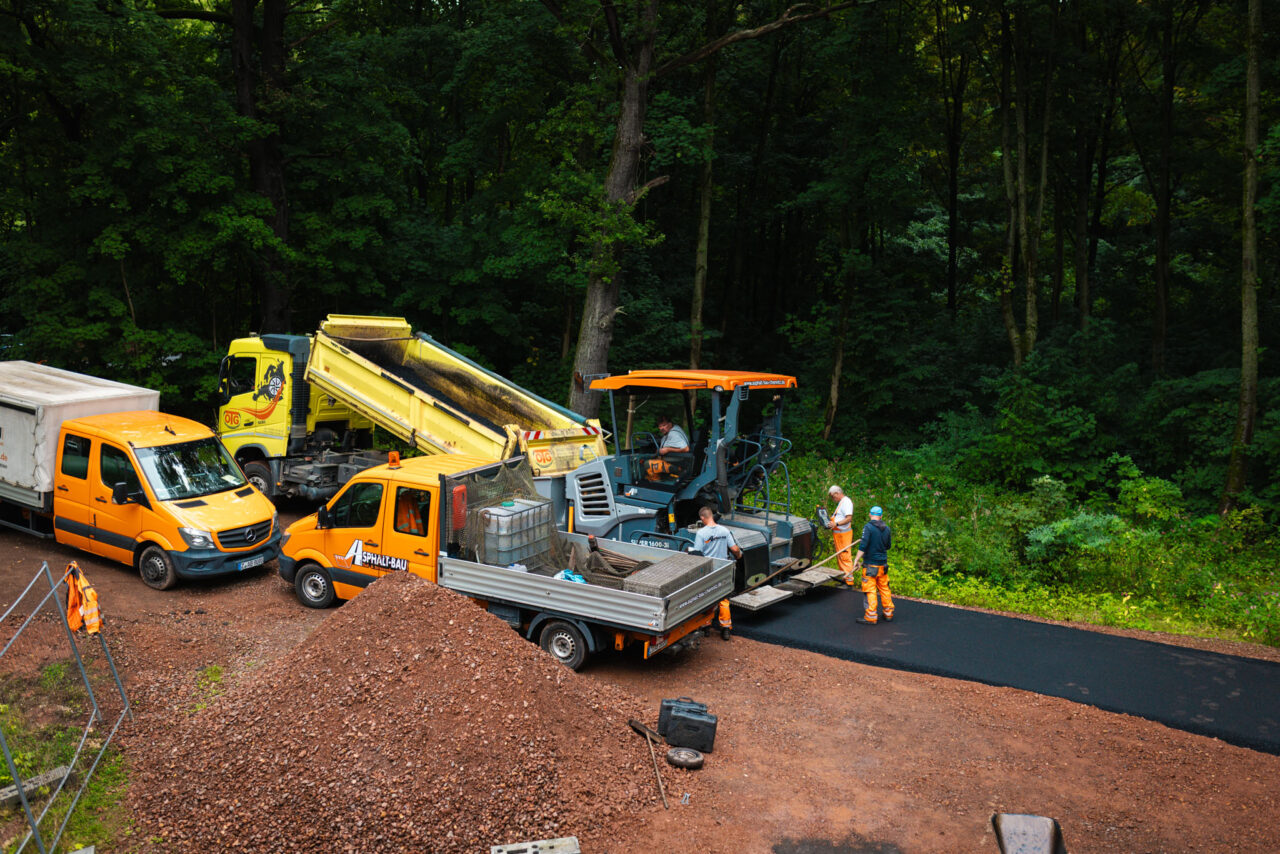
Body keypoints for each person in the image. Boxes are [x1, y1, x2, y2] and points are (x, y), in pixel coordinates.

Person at [692, 505, 742, 640]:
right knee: (724, 599)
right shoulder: (725, 531)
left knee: (707, 597)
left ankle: (706, 626)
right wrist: (738, 556)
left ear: (702, 518)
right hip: (723, 568)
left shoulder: (701, 533)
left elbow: (697, 553)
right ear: (712, 516)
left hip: (709, 569)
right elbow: (734, 548)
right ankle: (725, 629)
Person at [852, 505, 894, 625]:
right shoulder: (887, 529)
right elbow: (888, 546)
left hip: (870, 565)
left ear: (870, 514)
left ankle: (871, 616)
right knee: (885, 588)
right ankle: (888, 613)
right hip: (883, 565)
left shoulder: (868, 528)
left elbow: (863, 545)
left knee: (870, 590)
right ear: (881, 516)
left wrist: (856, 559)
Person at [645, 414, 691, 481]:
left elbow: (686, 449)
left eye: (664, 425)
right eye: (660, 426)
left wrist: (667, 449)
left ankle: (657, 483)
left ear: (670, 424)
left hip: (677, 463)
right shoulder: (670, 432)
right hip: (675, 461)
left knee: (647, 464)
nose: (661, 428)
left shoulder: (674, 434)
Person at [825, 485, 855, 585]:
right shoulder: (841, 502)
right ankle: (844, 577)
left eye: (833, 497)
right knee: (841, 557)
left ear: (837, 493)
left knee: (845, 557)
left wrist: (836, 524)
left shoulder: (846, 502)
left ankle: (849, 581)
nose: (833, 499)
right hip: (839, 535)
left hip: (843, 535)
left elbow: (848, 518)